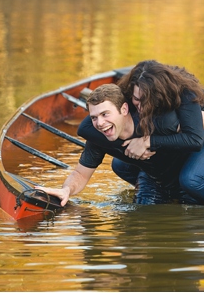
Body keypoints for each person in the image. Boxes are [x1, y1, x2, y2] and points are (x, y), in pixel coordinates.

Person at [36, 84, 192, 205]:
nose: (100, 123)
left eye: (105, 114)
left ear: (124, 109)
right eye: (94, 117)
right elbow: (80, 174)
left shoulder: (153, 119)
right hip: (150, 173)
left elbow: (195, 135)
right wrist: (66, 190)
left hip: (183, 169)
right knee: (140, 206)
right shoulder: (98, 134)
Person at [113, 60, 204, 205]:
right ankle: (169, 191)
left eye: (147, 102)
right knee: (120, 165)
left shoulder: (181, 98)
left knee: (192, 180)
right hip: (188, 134)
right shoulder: (131, 94)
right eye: (137, 100)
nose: (142, 107)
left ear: (159, 96)